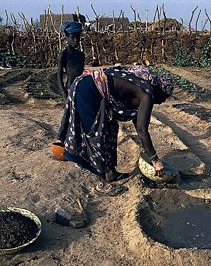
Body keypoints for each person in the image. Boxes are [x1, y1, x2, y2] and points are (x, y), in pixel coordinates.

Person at [57, 65, 174, 196]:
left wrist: (150, 153)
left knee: (111, 128)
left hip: (93, 89)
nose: (163, 100)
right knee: (97, 134)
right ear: (159, 89)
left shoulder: (141, 88)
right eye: (165, 95)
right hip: (86, 90)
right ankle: (102, 183)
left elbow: (138, 123)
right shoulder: (146, 94)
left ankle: (110, 172)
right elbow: (142, 129)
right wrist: (155, 159)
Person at [57, 21, 85, 101]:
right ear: (67, 37)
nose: (76, 40)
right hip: (70, 88)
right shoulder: (64, 54)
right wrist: (64, 93)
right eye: (73, 37)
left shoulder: (81, 55)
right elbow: (59, 75)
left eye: (78, 37)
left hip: (82, 88)